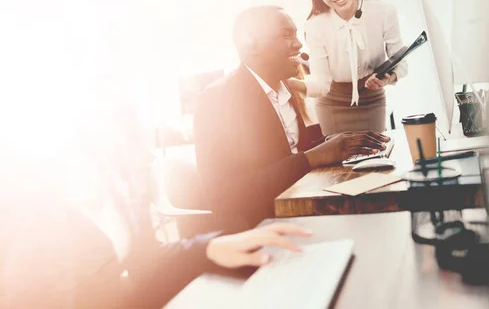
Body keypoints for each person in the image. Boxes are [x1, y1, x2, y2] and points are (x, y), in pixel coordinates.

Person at [0, 86, 313, 309]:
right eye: (129, 139)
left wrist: (209, 249)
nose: (146, 157)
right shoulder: (25, 204)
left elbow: (141, 263)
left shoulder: (120, 188)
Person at [190, 6, 390, 231]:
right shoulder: (218, 100)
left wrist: (337, 143)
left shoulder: (283, 88)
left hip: (300, 206)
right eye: (286, 35)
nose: (298, 44)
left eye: (295, 34)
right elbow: (224, 197)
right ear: (251, 45)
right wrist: (312, 158)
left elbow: (288, 153)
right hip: (260, 229)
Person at [286, 0, 409, 135]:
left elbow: (401, 63)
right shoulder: (315, 25)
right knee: (339, 163)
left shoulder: (383, 11)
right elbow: (322, 84)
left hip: (372, 99)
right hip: (332, 103)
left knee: (376, 157)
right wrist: (290, 83)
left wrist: (387, 78)